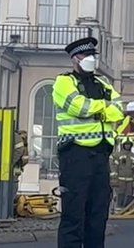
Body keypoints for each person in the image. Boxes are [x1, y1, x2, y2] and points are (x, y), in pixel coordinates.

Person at [53, 37, 126, 248]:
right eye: (87, 55)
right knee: (73, 215)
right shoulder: (64, 82)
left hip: (101, 157)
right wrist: (105, 109)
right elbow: (78, 107)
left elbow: (119, 110)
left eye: (94, 55)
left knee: (98, 215)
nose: (92, 59)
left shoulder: (103, 83)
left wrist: (98, 110)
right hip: (75, 155)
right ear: (75, 58)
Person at [110, 138, 134, 211]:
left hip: (130, 180)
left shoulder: (133, 156)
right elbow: (114, 167)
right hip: (120, 179)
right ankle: (118, 209)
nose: (127, 146)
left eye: (129, 144)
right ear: (123, 145)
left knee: (129, 195)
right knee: (120, 194)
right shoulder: (117, 155)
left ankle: (126, 209)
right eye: (126, 144)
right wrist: (114, 178)